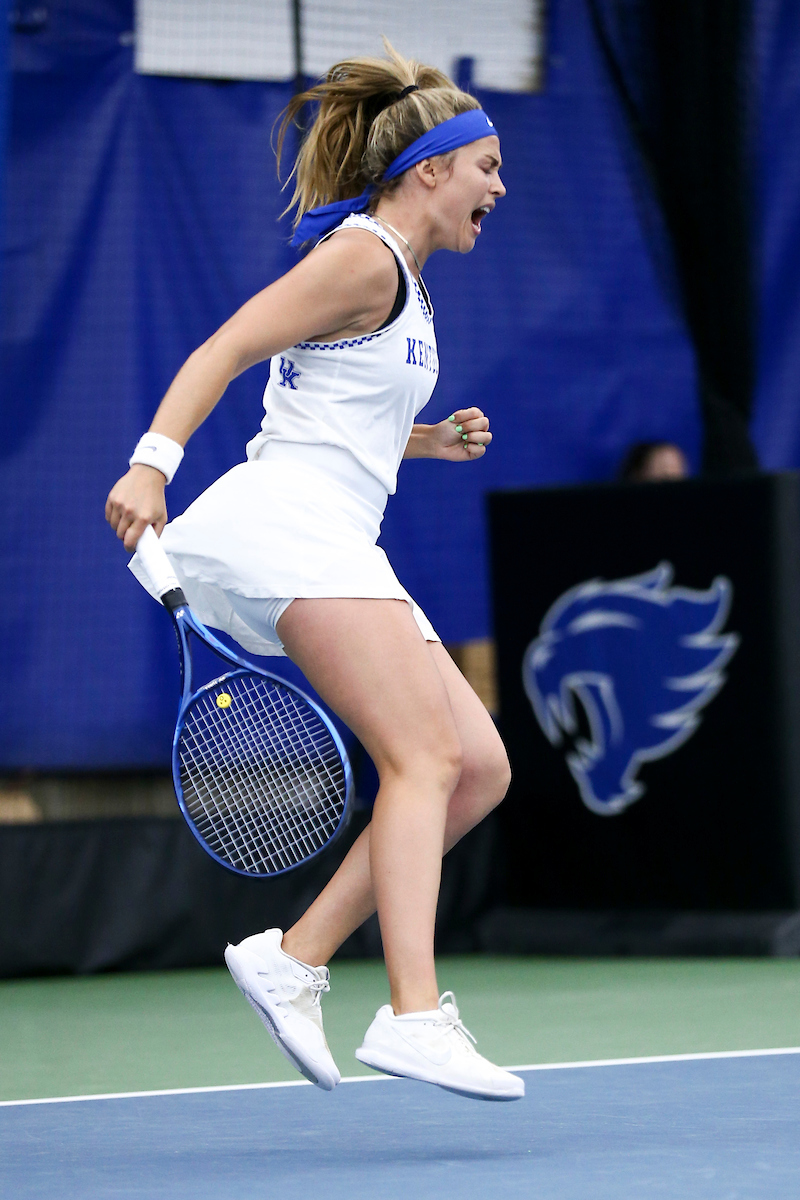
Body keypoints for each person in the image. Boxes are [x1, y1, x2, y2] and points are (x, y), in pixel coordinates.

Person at [105, 44, 522, 1102]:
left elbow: (335, 412)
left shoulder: (405, 285)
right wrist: (152, 464)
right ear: (431, 169)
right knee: (422, 755)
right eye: (486, 166)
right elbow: (226, 347)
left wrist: (423, 441)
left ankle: (293, 959)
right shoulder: (364, 258)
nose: (498, 187)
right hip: (288, 524)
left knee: (477, 768)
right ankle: (413, 1014)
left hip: (332, 528)